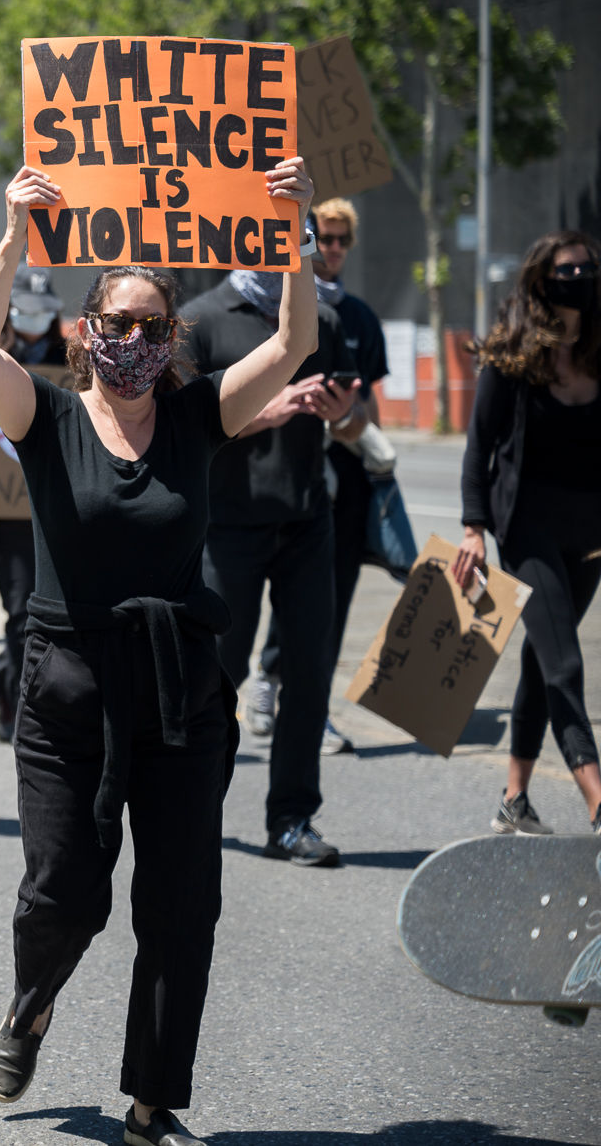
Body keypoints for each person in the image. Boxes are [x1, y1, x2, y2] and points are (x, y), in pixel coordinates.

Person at [0, 157, 316, 1146]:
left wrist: (289, 231)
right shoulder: (44, 417)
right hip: (67, 684)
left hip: (178, 685)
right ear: (85, 331)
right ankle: (32, 1002)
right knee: (62, 891)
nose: (134, 341)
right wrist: (12, 235)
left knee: (179, 901)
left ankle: (153, 1103)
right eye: (116, 323)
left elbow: (294, 341)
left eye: (154, 327)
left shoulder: (198, 417)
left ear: (173, 338)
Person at [182, 236, 364, 868]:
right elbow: (182, 426)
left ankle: (291, 819)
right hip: (228, 527)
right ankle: (188, 810)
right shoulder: (202, 319)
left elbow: (356, 424)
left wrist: (344, 416)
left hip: (308, 524)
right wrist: (264, 410)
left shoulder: (321, 320)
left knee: (309, 676)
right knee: (217, 677)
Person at [456, 230, 601, 836]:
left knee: (543, 661)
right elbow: (479, 447)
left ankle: (514, 800)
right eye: (569, 271)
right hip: (526, 527)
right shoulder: (513, 354)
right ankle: (598, 802)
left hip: (589, 535)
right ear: (543, 280)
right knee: (565, 664)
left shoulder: (598, 350)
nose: (581, 280)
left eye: (588, 270)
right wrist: (473, 529)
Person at [246, 196, 387, 756]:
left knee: (326, 603)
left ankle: (312, 709)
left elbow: (367, 407)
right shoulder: (263, 307)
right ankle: (267, 675)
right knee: (279, 596)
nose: (331, 248)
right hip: (274, 475)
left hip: (340, 483)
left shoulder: (355, 318)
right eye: (322, 238)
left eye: (340, 240)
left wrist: (350, 423)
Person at [0, 267, 72, 743]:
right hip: (4, 511)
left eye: (42, 311)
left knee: (56, 607)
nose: (33, 319)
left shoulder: (73, 361)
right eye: (24, 310)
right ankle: (22, 704)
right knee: (20, 610)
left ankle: (4, 676)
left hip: (58, 505)